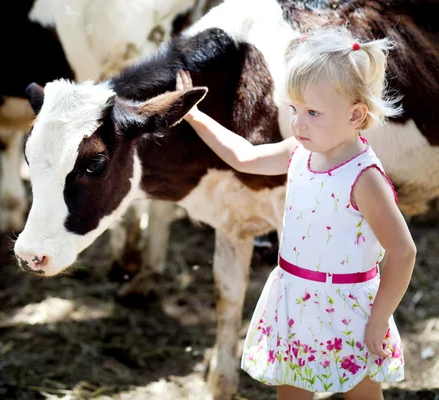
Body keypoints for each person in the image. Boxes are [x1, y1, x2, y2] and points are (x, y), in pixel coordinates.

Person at [176, 25, 417, 400]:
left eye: (313, 112)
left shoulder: (363, 178)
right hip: (297, 299)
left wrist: (379, 318)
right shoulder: (300, 152)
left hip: (350, 308)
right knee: (292, 393)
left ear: (355, 115)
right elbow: (245, 157)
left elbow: (403, 252)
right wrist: (195, 116)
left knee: (362, 395)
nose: (298, 122)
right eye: (294, 108)